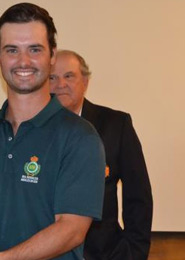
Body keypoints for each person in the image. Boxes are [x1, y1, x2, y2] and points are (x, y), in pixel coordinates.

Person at [0, 3, 106, 260]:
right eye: (12, 50)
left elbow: (72, 229)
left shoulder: (81, 137)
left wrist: (3, 259)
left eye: (34, 49)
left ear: (52, 56)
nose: (23, 61)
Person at [49, 50, 153, 260]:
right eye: (52, 77)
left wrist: (134, 253)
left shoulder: (116, 125)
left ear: (85, 82)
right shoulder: (32, 129)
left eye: (69, 76)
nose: (60, 84)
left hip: (105, 253)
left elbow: (138, 196)